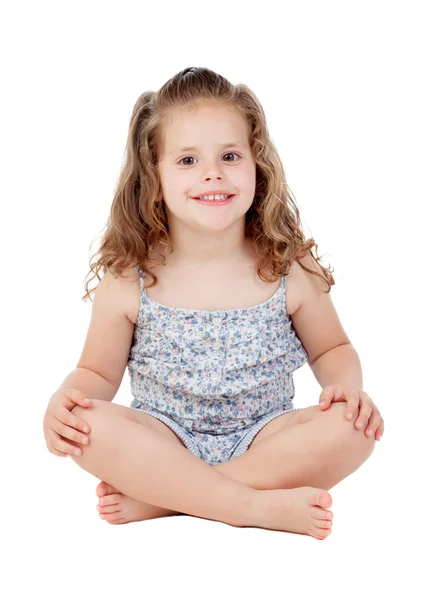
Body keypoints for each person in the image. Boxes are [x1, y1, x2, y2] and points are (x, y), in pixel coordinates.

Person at [42, 66, 384, 540]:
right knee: (85, 425)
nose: (212, 173)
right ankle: (246, 504)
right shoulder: (130, 276)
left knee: (354, 429)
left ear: (256, 164)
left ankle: (167, 500)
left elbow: (332, 350)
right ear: (153, 176)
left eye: (229, 155)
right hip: (162, 438)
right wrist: (63, 404)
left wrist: (346, 389)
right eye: (186, 160)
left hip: (268, 436)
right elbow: (98, 375)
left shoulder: (288, 265)